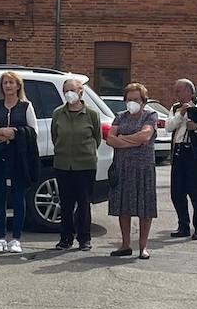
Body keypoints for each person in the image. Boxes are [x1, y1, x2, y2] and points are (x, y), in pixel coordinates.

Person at [0, 71, 38, 254]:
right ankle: (0, 238)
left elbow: (33, 131)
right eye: (5, 83)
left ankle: (16, 238)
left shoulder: (26, 106)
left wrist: (14, 133)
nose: (8, 86)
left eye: (11, 83)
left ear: (18, 86)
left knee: (18, 196)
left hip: (19, 157)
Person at [106, 82, 159, 259]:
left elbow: (146, 135)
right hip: (122, 167)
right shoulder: (120, 117)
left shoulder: (150, 115)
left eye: (136, 100)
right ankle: (125, 244)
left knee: (145, 208)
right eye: (129, 100)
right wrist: (133, 141)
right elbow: (110, 139)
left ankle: (143, 246)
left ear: (143, 101)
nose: (132, 103)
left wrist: (122, 140)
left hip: (143, 168)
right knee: (124, 207)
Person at [51, 75, 101, 251]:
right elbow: (55, 136)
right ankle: (65, 238)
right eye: (66, 91)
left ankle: (84, 238)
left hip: (85, 165)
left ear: (81, 92)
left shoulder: (92, 114)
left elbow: (96, 138)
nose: (69, 94)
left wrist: (86, 152)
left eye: (72, 90)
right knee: (65, 203)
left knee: (84, 203)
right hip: (63, 164)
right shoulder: (58, 113)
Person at [168, 78, 197, 239]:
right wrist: (181, 114)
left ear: (189, 91)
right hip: (179, 151)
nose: (176, 94)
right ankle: (183, 225)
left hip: (196, 153)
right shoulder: (175, 108)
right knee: (177, 192)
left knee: (195, 192)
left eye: (179, 90)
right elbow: (169, 126)